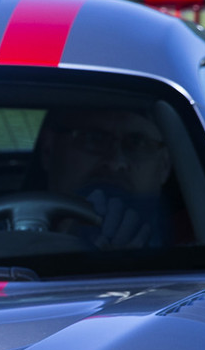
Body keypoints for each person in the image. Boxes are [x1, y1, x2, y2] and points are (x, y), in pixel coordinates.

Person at [32, 107, 175, 250]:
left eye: (137, 143)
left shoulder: (192, 249)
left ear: (164, 165)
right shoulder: (14, 243)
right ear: (48, 149)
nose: (115, 164)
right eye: (93, 139)